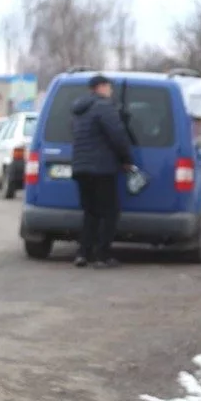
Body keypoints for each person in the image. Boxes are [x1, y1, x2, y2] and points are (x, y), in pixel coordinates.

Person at [70, 74, 135, 269]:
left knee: (90, 211)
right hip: (102, 168)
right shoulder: (104, 107)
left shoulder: (79, 110)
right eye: (109, 87)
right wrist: (126, 159)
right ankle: (102, 255)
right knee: (110, 211)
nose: (111, 91)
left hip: (80, 167)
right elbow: (117, 135)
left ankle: (83, 253)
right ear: (101, 87)